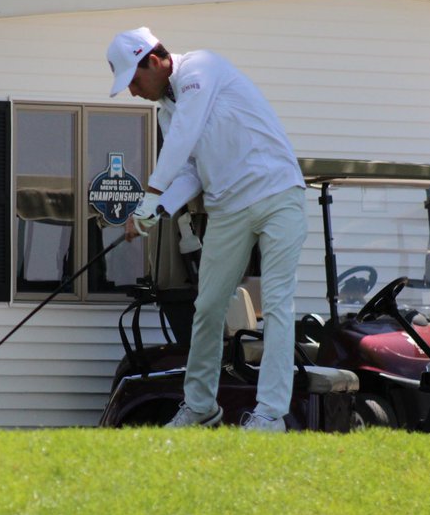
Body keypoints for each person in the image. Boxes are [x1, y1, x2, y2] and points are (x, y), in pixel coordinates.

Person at [106, 27, 307, 431]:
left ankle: (270, 414)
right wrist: (157, 208)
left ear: (153, 61)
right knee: (209, 306)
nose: (133, 91)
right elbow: (191, 171)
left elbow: (186, 133)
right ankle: (200, 406)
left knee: (277, 305)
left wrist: (149, 195)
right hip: (228, 208)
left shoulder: (201, 67)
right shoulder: (166, 111)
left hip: (278, 194)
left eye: (134, 80)